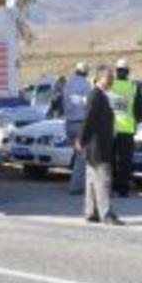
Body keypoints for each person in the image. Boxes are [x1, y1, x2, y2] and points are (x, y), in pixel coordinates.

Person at [77, 65, 124, 225]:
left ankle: (91, 212)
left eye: (112, 78)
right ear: (99, 78)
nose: (112, 81)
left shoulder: (101, 95)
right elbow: (89, 120)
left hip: (95, 145)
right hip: (98, 146)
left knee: (91, 180)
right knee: (103, 180)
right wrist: (81, 140)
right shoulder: (96, 95)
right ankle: (106, 214)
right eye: (109, 77)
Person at [108, 58, 142, 197]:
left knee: (110, 160)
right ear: (128, 72)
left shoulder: (109, 85)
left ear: (116, 70)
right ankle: (123, 190)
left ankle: (110, 187)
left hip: (110, 129)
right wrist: (136, 120)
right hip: (127, 129)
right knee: (125, 161)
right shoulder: (134, 87)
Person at [63, 62, 91, 195]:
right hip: (80, 124)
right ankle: (75, 187)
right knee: (82, 156)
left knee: (77, 154)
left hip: (69, 124)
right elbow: (88, 103)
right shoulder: (86, 84)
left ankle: (79, 183)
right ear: (86, 72)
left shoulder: (68, 82)